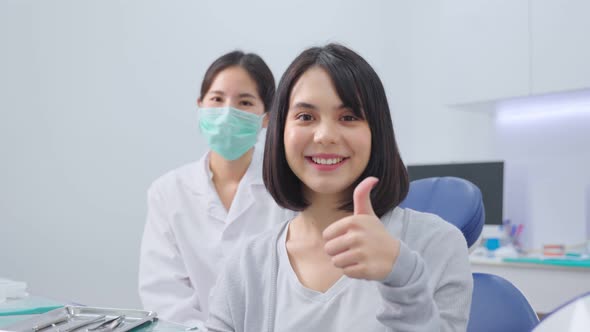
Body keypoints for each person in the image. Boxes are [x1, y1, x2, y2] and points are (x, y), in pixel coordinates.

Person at [206, 44, 473, 331]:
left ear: (377, 132)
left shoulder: (437, 245)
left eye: (348, 117)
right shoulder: (246, 266)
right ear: (280, 132)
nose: (325, 136)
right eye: (306, 117)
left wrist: (403, 275)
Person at [138, 50, 294, 327]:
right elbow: (163, 295)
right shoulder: (168, 192)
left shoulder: (289, 190)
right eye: (217, 99)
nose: (226, 113)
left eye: (244, 102)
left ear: (267, 117)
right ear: (200, 106)